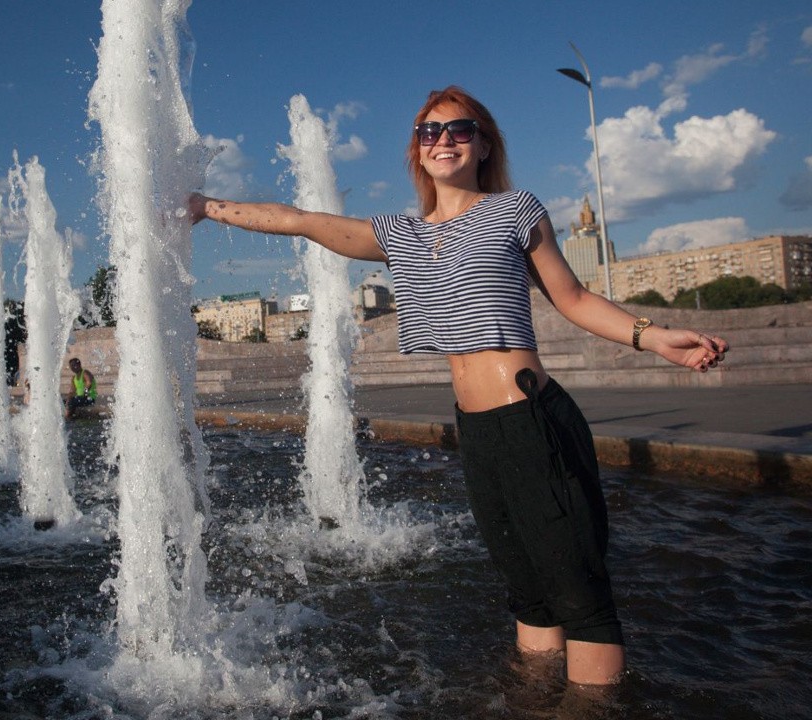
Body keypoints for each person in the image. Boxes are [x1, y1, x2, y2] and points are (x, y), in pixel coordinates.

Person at [188, 86, 728, 687]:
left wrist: (655, 336)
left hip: (532, 417)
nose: (443, 140)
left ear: (484, 144)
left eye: (459, 129)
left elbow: (573, 300)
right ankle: (536, 695)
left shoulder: (516, 210)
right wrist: (205, 206)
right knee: (527, 591)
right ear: (417, 153)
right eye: (430, 132)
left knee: (580, 593)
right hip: (477, 430)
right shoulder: (399, 234)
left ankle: (594, 705)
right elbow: (299, 222)